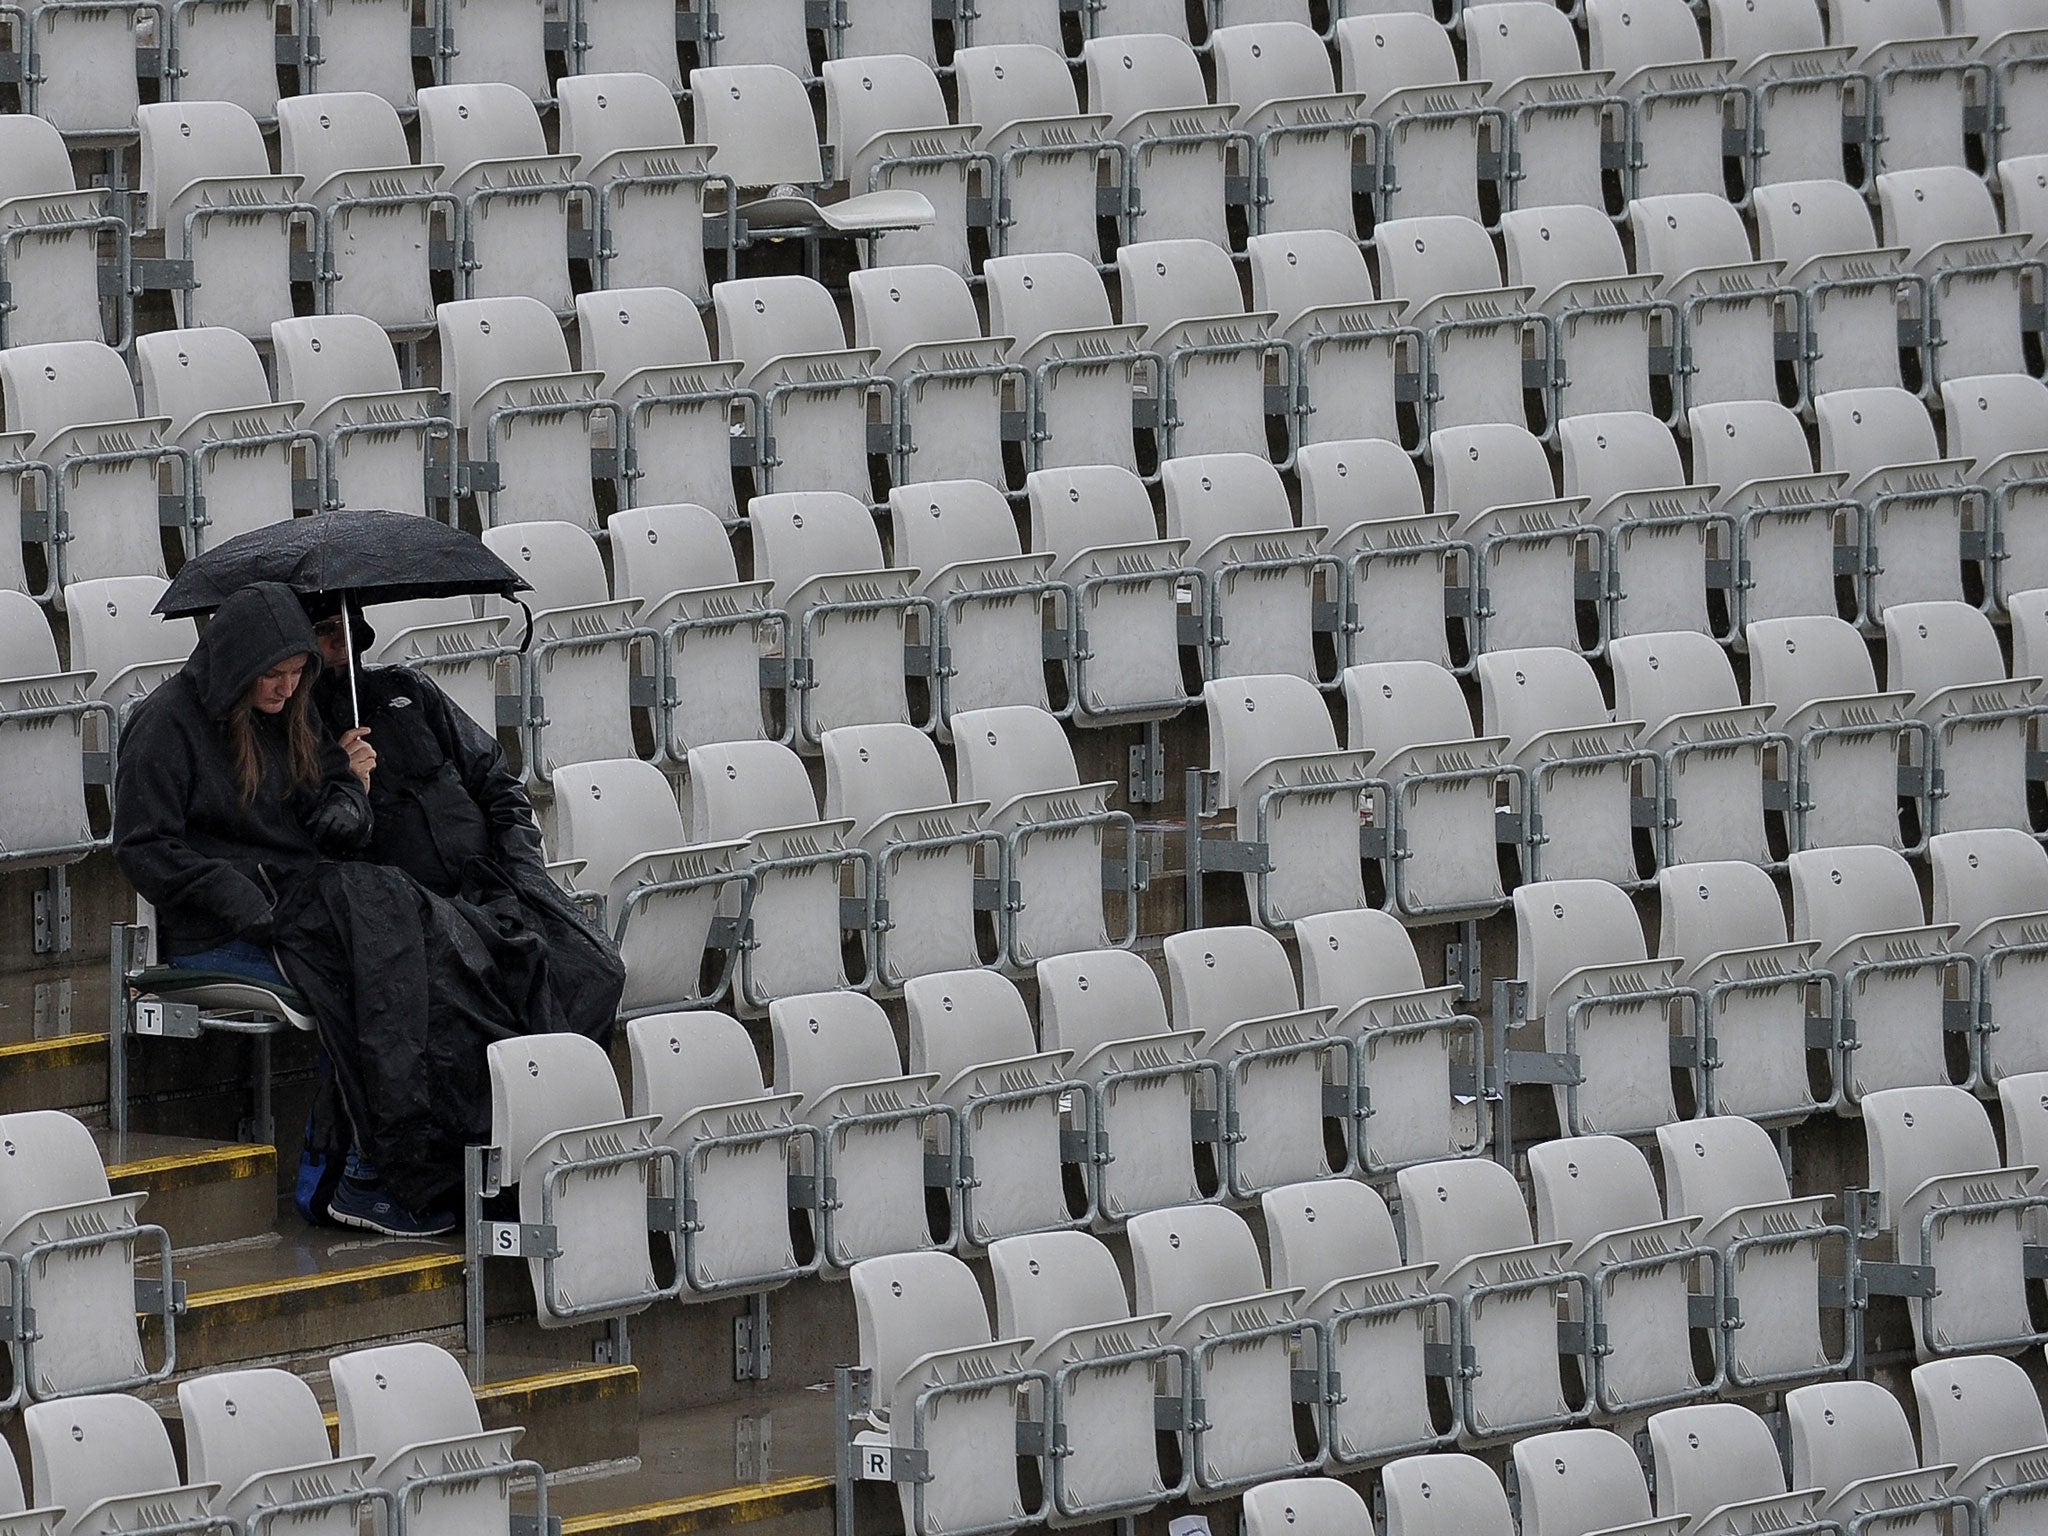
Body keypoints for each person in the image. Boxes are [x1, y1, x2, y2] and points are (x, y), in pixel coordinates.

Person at [113, 583, 590, 1237]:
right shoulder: (165, 722)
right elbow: (145, 848)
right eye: (272, 676)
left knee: (453, 950)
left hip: (309, 892)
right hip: (223, 918)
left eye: (295, 675)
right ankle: (371, 1173)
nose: (284, 691)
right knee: (388, 962)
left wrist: (348, 803)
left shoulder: (288, 713)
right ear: (237, 664)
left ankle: (453, 1160)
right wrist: (247, 902)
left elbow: (329, 789)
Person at [301, 592, 623, 1045]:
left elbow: (497, 781)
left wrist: (522, 873)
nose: (341, 640)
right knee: (487, 997)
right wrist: (348, 781)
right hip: (418, 912)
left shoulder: (409, 690)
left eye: (348, 625)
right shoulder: (299, 733)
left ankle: (564, 1099)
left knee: (595, 968)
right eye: (325, 630)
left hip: (492, 885)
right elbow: (319, 841)